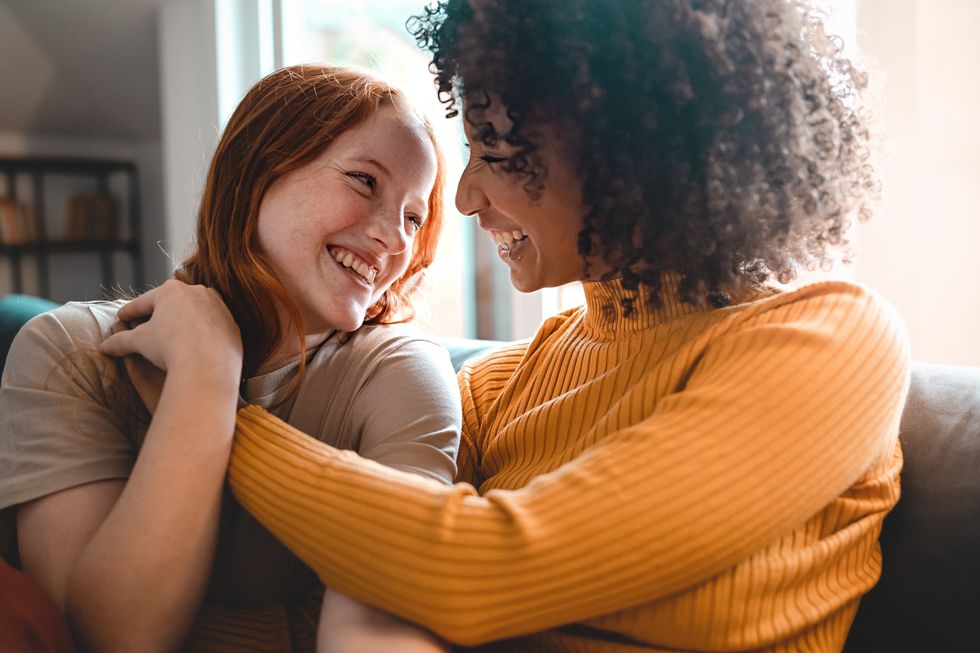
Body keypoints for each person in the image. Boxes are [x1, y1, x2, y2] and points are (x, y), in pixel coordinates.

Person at [101, 1, 910, 651]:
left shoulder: (831, 340)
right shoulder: (500, 385)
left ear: (624, 148)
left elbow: (474, 567)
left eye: (492, 151)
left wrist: (210, 394)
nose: (462, 199)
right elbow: (362, 593)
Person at [0, 64, 460, 652]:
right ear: (256, 173)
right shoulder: (69, 352)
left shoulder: (402, 375)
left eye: (414, 217)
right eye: (365, 182)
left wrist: (205, 380)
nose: (395, 239)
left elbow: (385, 625)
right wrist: (206, 377)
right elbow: (111, 638)